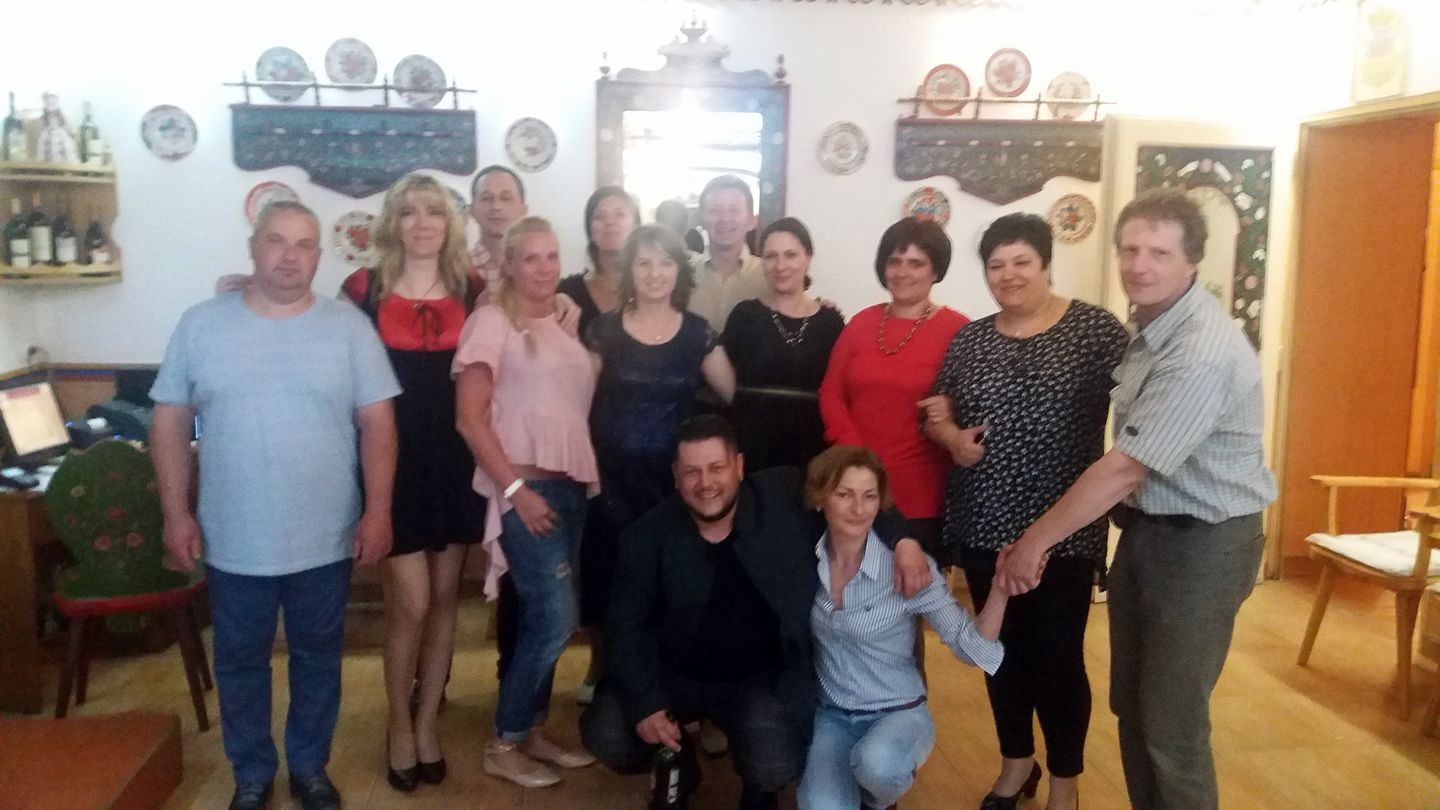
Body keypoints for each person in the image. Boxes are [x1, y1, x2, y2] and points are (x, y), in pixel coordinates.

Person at [994, 189, 1277, 810]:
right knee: (1134, 705)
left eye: (1159, 252)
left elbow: (1124, 468)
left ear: (1191, 261)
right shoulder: (1149, 327)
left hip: (1205, 546)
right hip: (1149, 533)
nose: (1139, 265)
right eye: (1130, 249)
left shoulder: (1199, 351)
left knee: (1173, 725)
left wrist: (1035, 540)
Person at [149, 201, 400, 810]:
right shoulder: (201, 324)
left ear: (319, 255)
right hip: (234, 537)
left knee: (318, 658)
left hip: (326, 535)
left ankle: (310, 768)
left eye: (305, 244)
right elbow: (170, 422)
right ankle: (252, 774)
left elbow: (379, 425)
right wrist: (176, 513)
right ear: (253, 246)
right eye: (277, 240)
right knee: (239, 662)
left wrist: (378, 511)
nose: (290, 255)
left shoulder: (348, 329)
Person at [580, 415, 933, 810]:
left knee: (775, 763)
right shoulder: (645, 537)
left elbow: (858, 494)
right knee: (607, 732)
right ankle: (679, 765)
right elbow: (625, 627)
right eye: (692, 472)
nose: (706, 483)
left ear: (739, 466)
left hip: (759, 680)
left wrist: (904, 540)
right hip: (675, 676)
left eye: (716, 467)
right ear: (676, 476)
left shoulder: (783, 493)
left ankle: (758, 786)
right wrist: (647, 703)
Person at [920, 213, 1128, 810]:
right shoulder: (971, 339)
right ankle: (1016, 764)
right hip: (983, 519)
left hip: (1065, 527)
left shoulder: (1095, 330)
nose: (1008, 275)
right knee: (999, 651)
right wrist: (952, 438)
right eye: (996, 265)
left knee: (1058, 658)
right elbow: (936, 411)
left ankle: (1065, 784)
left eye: (1021, 262)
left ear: (1045, 264)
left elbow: (1146, 404)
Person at [338, 173, 486, 793]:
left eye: (434, 211)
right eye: (409, 212)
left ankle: (427, 725)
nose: (422, 222)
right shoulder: (362, 289)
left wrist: (562, 305)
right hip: (389, 462)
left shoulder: (474, 288)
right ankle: (398, 724)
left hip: (455, 461)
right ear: (392, 223)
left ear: (450, 223)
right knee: (412, 603)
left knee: (446, 598)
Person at [454, 215, 599, 788]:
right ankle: (505, 740)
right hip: (526, 488)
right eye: (531, 257)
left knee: (554, 616)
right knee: (554, 617)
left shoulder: (564, 320)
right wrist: (516, 490)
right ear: (510, 264)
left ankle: (532, 728)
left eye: (552, 256)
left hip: (571, 488)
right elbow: (469, 419)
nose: (543, 268)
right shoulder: (491, 321)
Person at [799, 445, 1010, 810]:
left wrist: (1000, 589)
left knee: (877, 765)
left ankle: (875, 801)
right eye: (844, 494)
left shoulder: (908, 568)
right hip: (833, 715)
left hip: (898, 711)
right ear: (821, 498)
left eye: (869, 496)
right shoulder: (807, 561)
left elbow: (969, 647)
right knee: (820, 805)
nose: (858, 508)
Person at [581, 224, 736, 700]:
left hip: (674, 485)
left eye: (665, 262)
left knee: (670, 580)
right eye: (644, 262)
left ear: (678, 271)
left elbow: (734, 395)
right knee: (610, 578)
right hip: (609, 482)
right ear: (629, 270)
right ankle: (609, 674)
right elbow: (576, 405)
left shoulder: (697, 333)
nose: (654, 273)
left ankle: (673, 683)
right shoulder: (604, 330)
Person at [819, 217, 970, 559]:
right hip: (852, 486)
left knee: (912, 585)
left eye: (916, 263)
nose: (902, 272)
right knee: (846, 585)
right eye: (894, 261)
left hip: (920, 495)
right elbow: (831, 393)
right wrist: (856, 456)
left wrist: (952, 408)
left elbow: (975, 401)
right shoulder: (861, 322)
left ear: (936, 270)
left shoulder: (958, 330)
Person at [722, 217, 844, 473]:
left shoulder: (831, 322)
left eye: (791, 255)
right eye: (771, 256)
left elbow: (840, 390)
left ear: (808, 258)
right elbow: (725, 383)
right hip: (752, 444)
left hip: (813, 450)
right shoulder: (745, 315)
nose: (780, 266)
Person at [687, 175, 768, 331]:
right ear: (701, 219)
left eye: (734, 210)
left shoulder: (768, 274)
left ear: (752, 220)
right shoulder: (684, 274)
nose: (725, 219)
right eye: (716, 210)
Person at [558, 186, 639, 337]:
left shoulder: (654, 286)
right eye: (600, 216)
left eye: (619, 214)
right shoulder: (569, 292)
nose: (610, 222)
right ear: (590, 230)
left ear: (636, 225)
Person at [468, 164, 528, 287]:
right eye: (486, 198)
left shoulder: (537, 269)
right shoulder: (456, 271)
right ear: (472, 210)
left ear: (523, 210)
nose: (496, 207)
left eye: (506, 198)